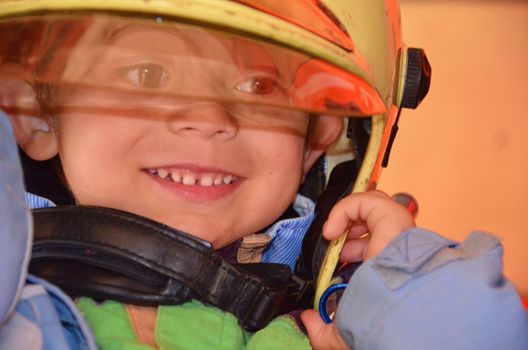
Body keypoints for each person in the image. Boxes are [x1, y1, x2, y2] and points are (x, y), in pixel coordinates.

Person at [5, 1, 523, 350]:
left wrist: (411, 296)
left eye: (258, 85)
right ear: (34, 117)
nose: (210, 119)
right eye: (148, 74)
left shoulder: (348, 319)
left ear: (316, 140)